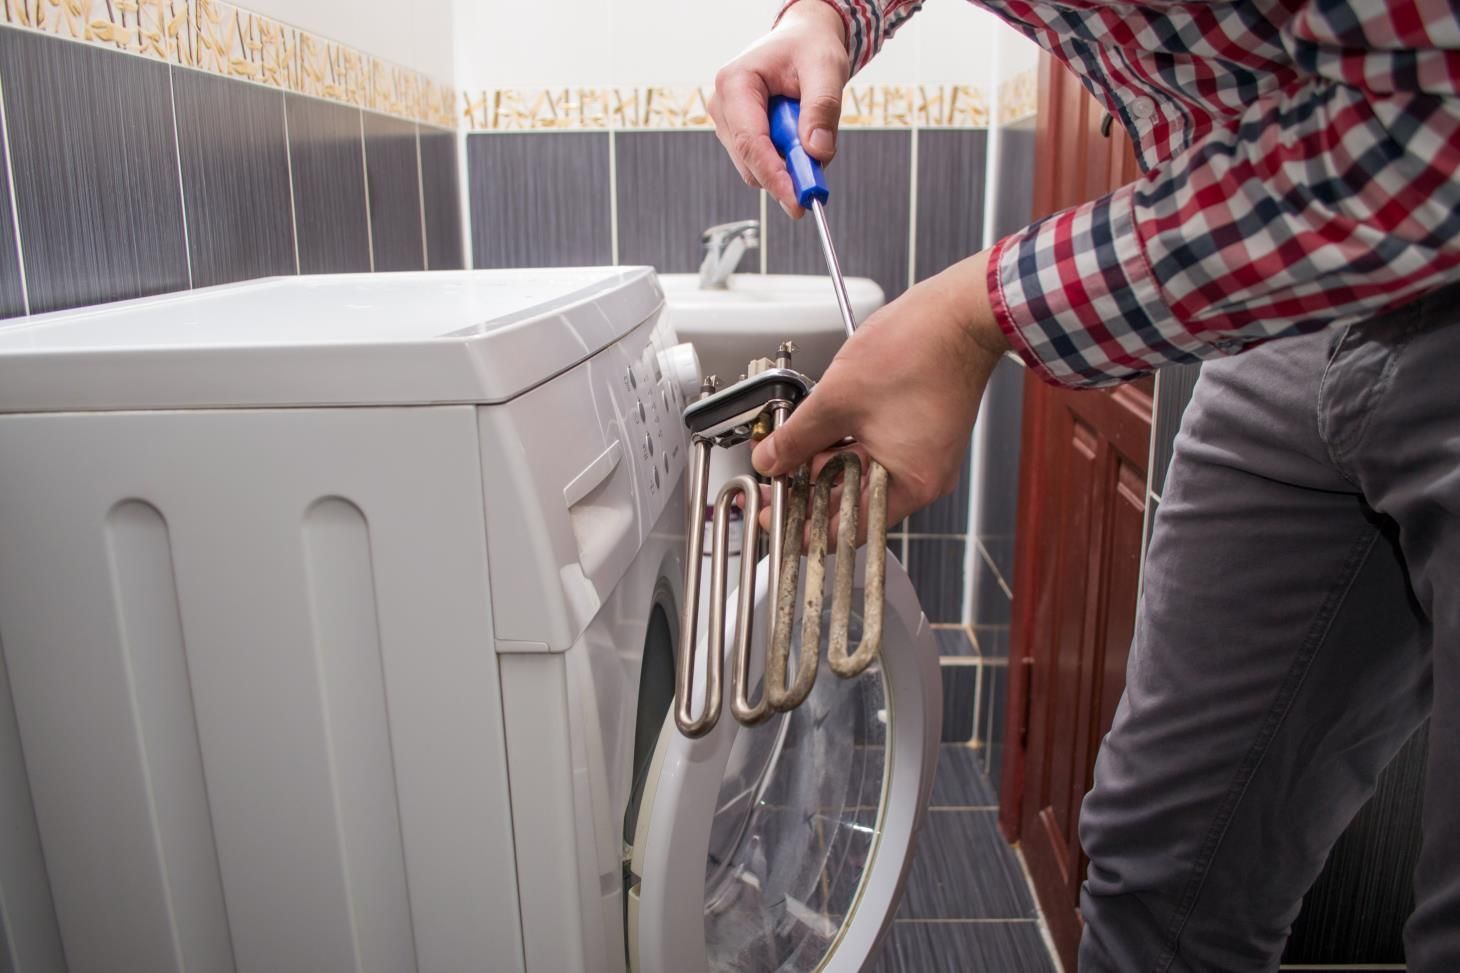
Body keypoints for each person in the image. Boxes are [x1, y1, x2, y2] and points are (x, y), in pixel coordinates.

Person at [709, 1, 1460, 970]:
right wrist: (831, 15)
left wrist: (972, 314)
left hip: (1403, 208)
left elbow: (1420, 129)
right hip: (1290, 305)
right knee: (1158, 870)